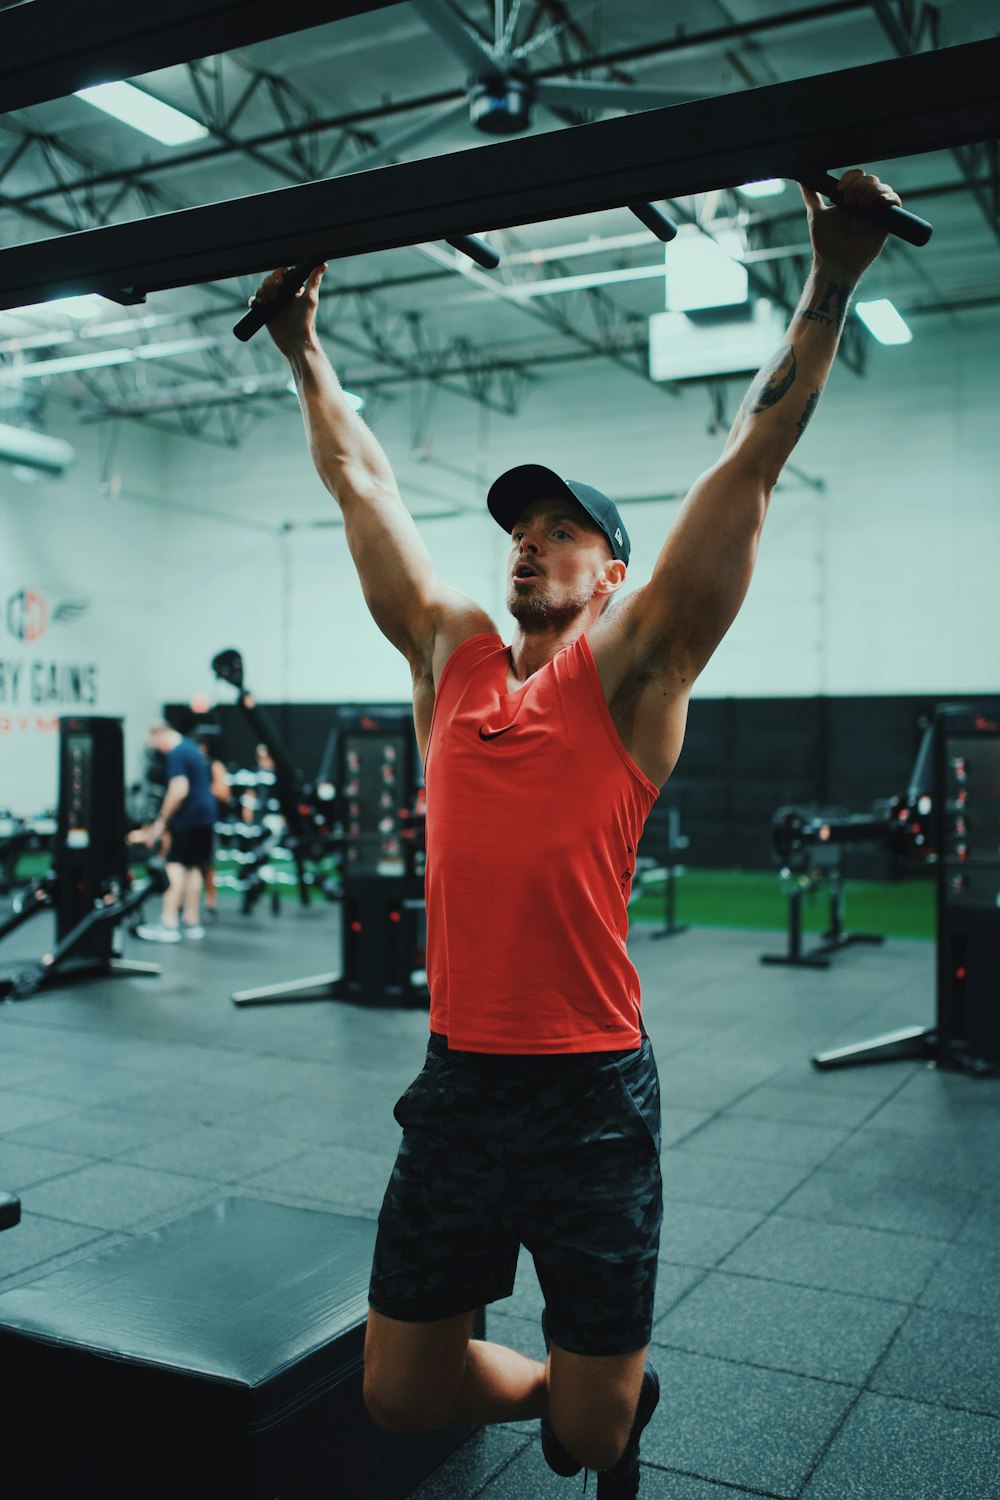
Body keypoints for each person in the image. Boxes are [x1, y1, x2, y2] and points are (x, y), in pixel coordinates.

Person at [252, 168, 900, 1496]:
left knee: (591, 1446)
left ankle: (599, 1407)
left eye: (563, 530)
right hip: (458, 1082)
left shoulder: (635, 670)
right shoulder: (452, 661)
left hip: (594, 1093)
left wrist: (830, 279)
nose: (528, 545)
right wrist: (305, 349)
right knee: (400, 1389)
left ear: (612, 567)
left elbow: (752, 461)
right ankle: (578, 1386)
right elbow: (362, 482)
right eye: (517, 529)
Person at [131, 718, 219, 943]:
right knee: (193, 868)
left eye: (154, 743)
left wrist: (162, 820)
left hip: (189, 817)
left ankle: (169, 923)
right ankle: (191, 922)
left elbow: (179, 789)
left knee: (174, 866)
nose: (155, 749)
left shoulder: (177, 753)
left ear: (159, 734)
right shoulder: (192, 747)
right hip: (206, 815)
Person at [196, 729, 232, 923]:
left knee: (207, 864)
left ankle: (210, 903)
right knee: (187, 867)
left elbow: (224, 793)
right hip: (189, 823)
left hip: (207, 821)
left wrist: (202, 788)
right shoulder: (188, 765)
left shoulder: (213, 766)